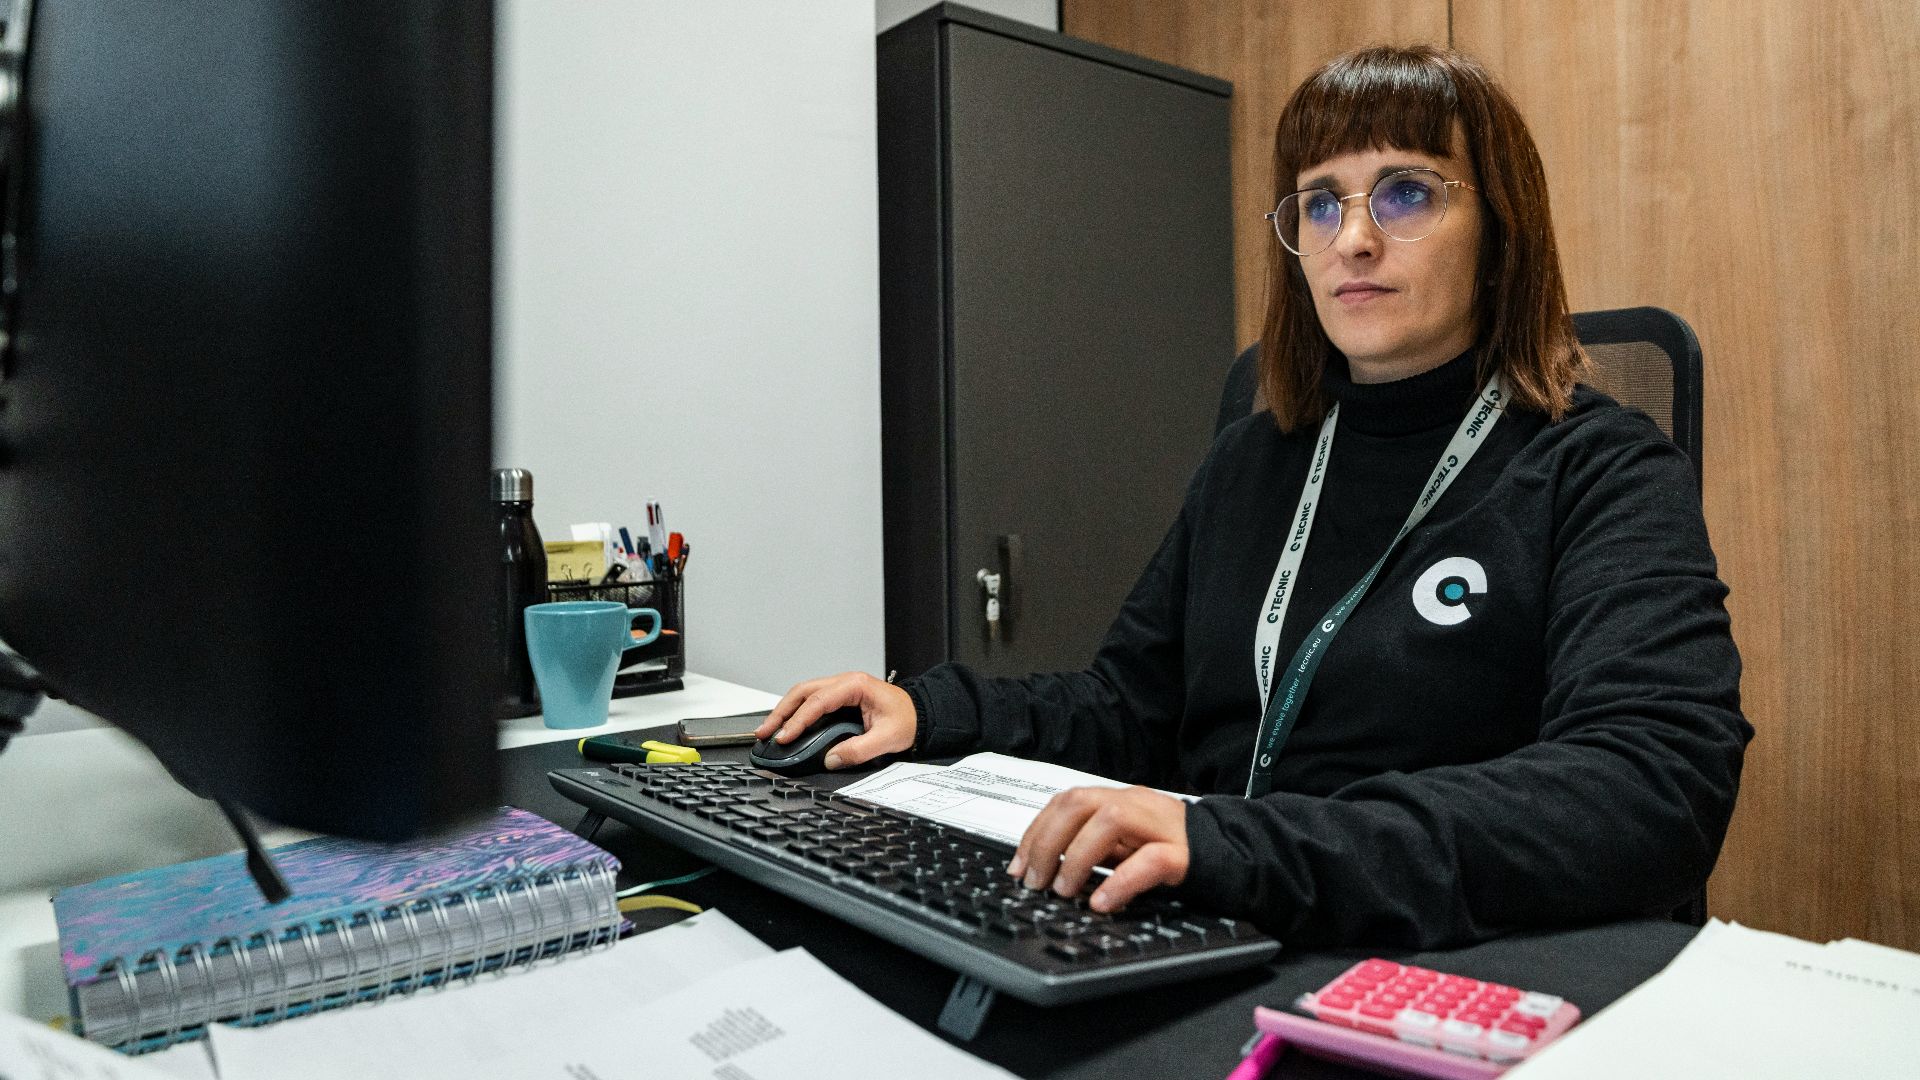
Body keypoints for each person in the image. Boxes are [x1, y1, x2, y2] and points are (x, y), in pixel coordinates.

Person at [755, 44, 1750, 948]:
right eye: (1321, 201)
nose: (1352, 239)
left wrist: (1242, 844)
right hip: (1212, 914)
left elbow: (1651, 789)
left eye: (1405, 193)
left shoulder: (1601, 469)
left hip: (1424, 946)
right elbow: (1130, 707)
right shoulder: (1255, 460)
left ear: (1501, 231)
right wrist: (930, 708)